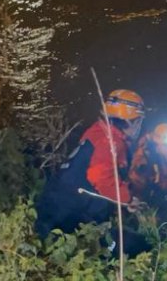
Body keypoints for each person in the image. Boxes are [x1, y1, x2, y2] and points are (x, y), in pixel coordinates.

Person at [36, 89, 146, 241]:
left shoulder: (98, 131)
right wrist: (128, 199)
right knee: (137, 246)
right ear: (129, 121)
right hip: (70, 218)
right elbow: (102, 179)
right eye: (139, 121)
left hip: (58, 208)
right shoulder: (109, 142)